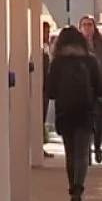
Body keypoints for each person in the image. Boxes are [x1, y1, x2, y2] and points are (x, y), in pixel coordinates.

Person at [46, 26, 102, 201]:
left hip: (65, 112)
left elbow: (51, 91)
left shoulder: (57, 62)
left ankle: (72, 187)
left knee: (70, 153)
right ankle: (78, 188)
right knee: (82, 153)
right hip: (85, 111)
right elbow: (100, 88)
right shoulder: (90, 60)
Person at [78, 15, 102, 163]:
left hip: (98, 88)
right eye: (84, 25)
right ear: (80, 28)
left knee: (98, 120)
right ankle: (86, 150)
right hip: (82, 89)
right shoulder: (77, 45)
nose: (87, 27)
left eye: (90, 25)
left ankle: (98, 147)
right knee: (85, 121)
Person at [42, 21, 54, 158]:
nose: (47, 35)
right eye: (45, 32)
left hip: (45, 88)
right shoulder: (39, 48)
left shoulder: (46, 47)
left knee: (42, 118)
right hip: (41, 88)